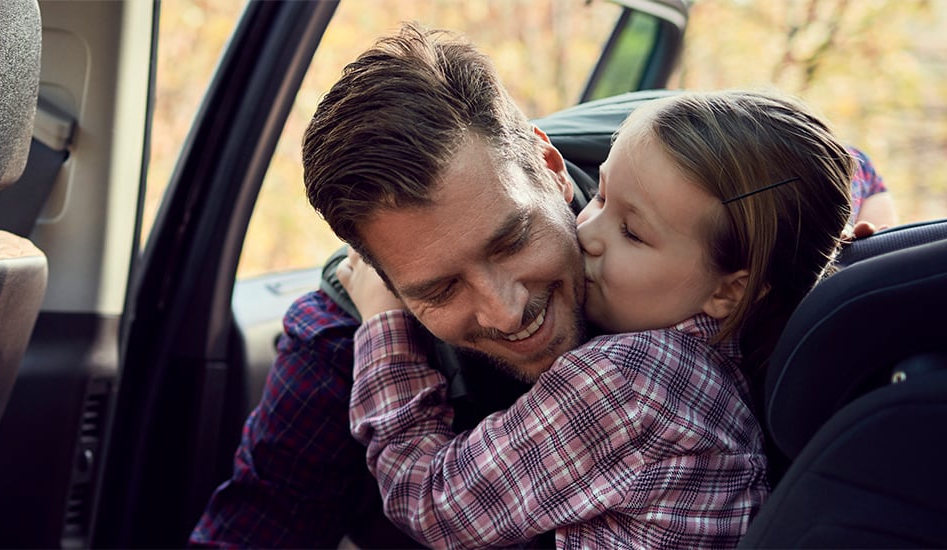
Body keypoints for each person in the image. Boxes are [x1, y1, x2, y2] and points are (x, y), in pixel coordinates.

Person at [190, 23, 890, 547]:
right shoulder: (336, 344)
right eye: (436, 290)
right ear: (381, 276)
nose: (506, 309)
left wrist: (856, 242)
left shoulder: (666, 174)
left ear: (553, 166)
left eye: (513, 238)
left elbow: (828, 165)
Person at [339, 90, 853, 548]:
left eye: (631, 231)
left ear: (729, 289)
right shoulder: (738, 342)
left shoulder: (625, 381)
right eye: (602, 195)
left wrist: (383, 328)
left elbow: (436, 505)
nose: (586, 232)